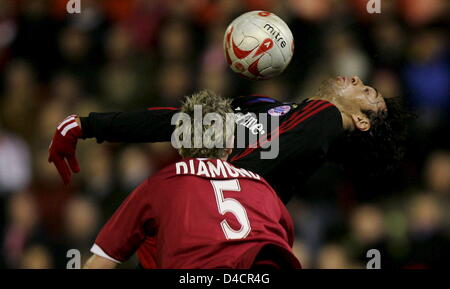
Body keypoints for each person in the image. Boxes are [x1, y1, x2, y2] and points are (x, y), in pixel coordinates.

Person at [49, 76, 408, 204]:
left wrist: (203, 187)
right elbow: (181, 122)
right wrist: (87, 125)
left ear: (360, 121)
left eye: (368, 91)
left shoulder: (326, 122)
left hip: (218, 235)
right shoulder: (275, 109)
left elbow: (248, 171)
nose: (359, 80)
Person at [82, 90, 301, 269]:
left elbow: (101, 262)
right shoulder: (262, 187)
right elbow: (284, 244)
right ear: (230, 143)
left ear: (179, 141)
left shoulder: (160, 185)